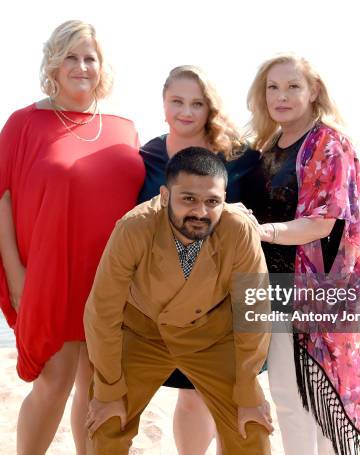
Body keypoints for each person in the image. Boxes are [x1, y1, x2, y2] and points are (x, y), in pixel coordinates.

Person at [0, 20, 144, 454]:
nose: (82, 66)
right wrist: (18, 277)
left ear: (101, 66)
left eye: (90, 57)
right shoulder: (24, 124)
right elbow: (0, 202)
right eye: (71, 56)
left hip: (111, 277)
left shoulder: (125, 128)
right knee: (53, 382)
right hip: (51, 276)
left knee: (97, 388)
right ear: (53, 62)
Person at [84, 147, 273, 454]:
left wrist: (249, 392)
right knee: (106, 421)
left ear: (224, 199)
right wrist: (108, 389)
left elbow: (254, 309)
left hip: (210, 335)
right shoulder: (133, 228)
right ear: (164, 194)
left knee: (250, 426)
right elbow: (102, 312)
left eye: (212, 201)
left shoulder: (238, 230)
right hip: (143, 333)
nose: (200, 211)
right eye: (188, 199)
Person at [241, 53, 360, 455]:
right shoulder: (269, 148)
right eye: (273, 87)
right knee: (289, 393)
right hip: (277, 287)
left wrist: (262, 232)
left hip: (322, 293)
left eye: (292, 86)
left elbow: (323, 223)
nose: (281, 96)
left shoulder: (330, 144)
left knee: (316, 397)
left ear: (313, 91)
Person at [138, 65, 260, 455]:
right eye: (177, 102)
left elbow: (260, 219)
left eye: (197, 103)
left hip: (229, 292)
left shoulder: (239, 157)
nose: (186, 112)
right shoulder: (148, 156)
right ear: (163, 104)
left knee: (230, 391)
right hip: (173, 296)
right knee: (190, 392)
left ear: (210, 108)